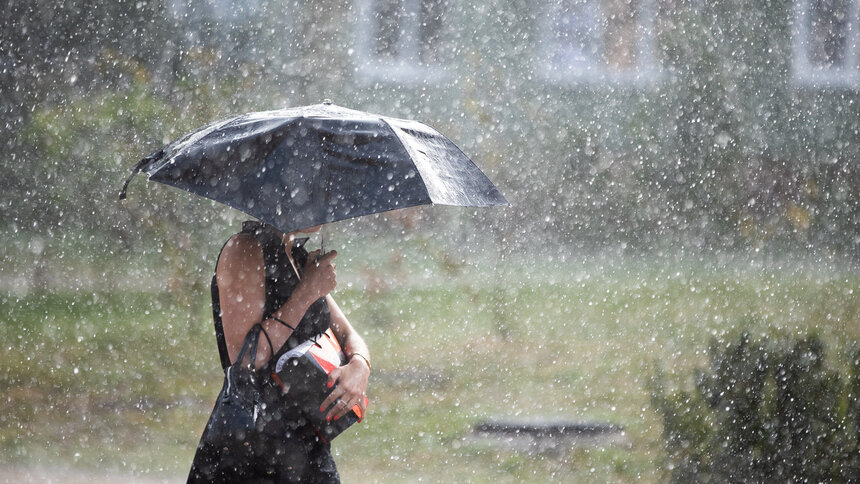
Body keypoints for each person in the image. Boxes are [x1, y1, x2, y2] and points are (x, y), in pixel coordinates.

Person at [188, 220, 371, 483]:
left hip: (307, 440)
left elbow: (348, 334)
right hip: (254, 444)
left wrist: (360, 365)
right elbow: (247, 357)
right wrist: (307, 292)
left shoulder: (297, 255)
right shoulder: (244, 249)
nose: (324, 205)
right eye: (314, 190)